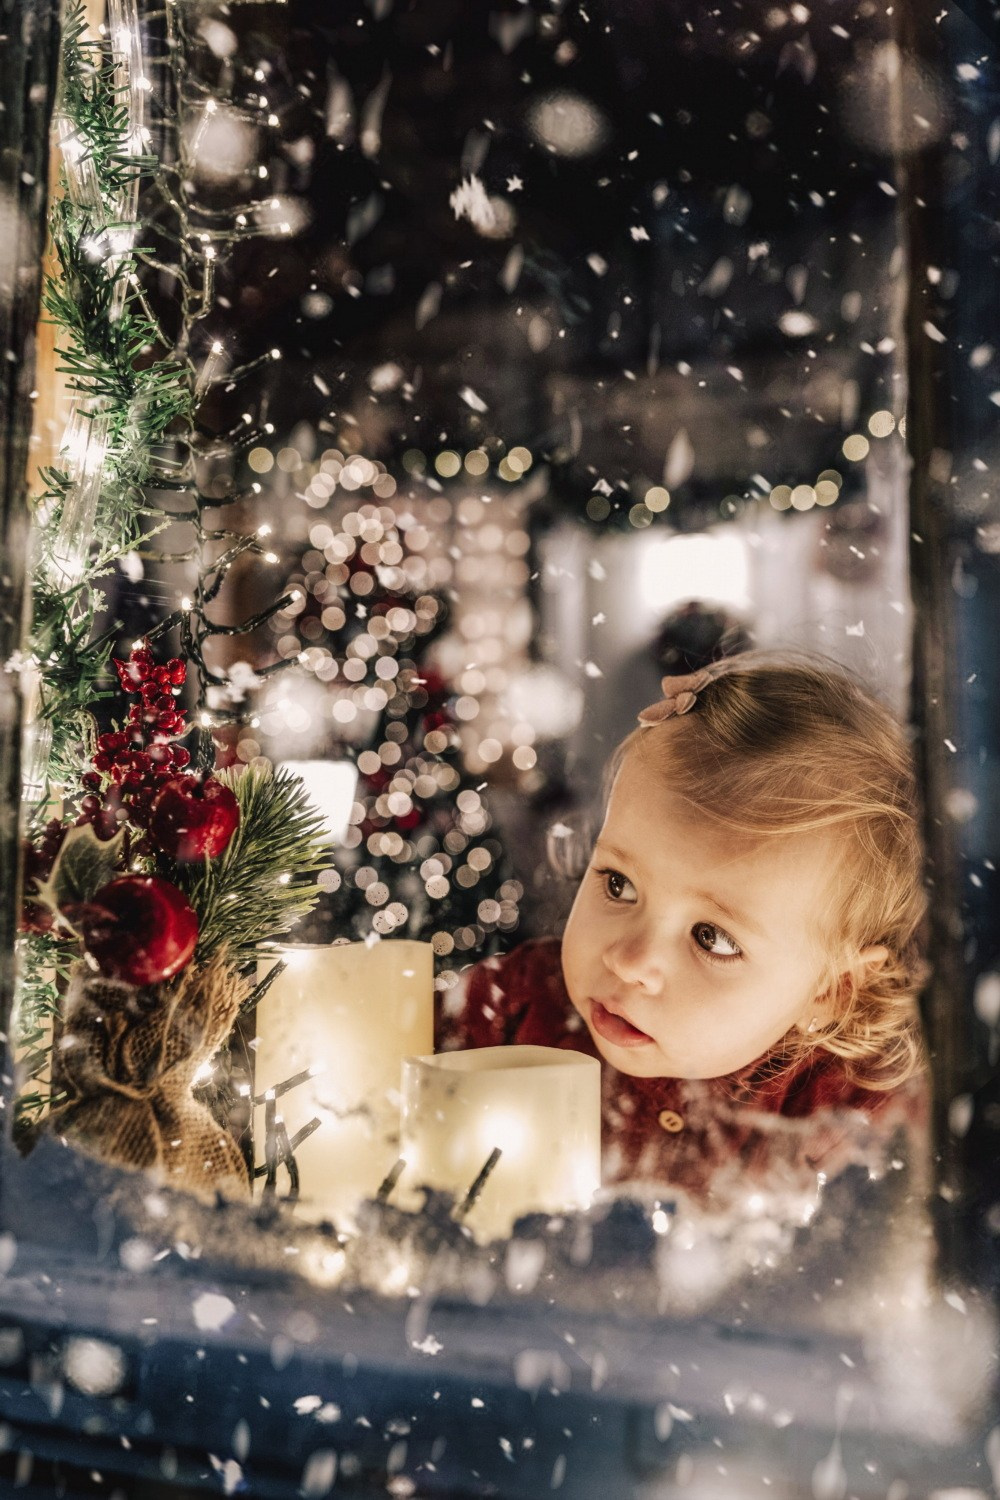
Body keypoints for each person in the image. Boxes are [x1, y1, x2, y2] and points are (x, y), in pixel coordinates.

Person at [438, 653, 929, 1209]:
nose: (630, 960)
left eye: (712, 938)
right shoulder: (516, 1006)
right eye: (619, 884)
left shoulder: (851, 1117)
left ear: (831, 991)